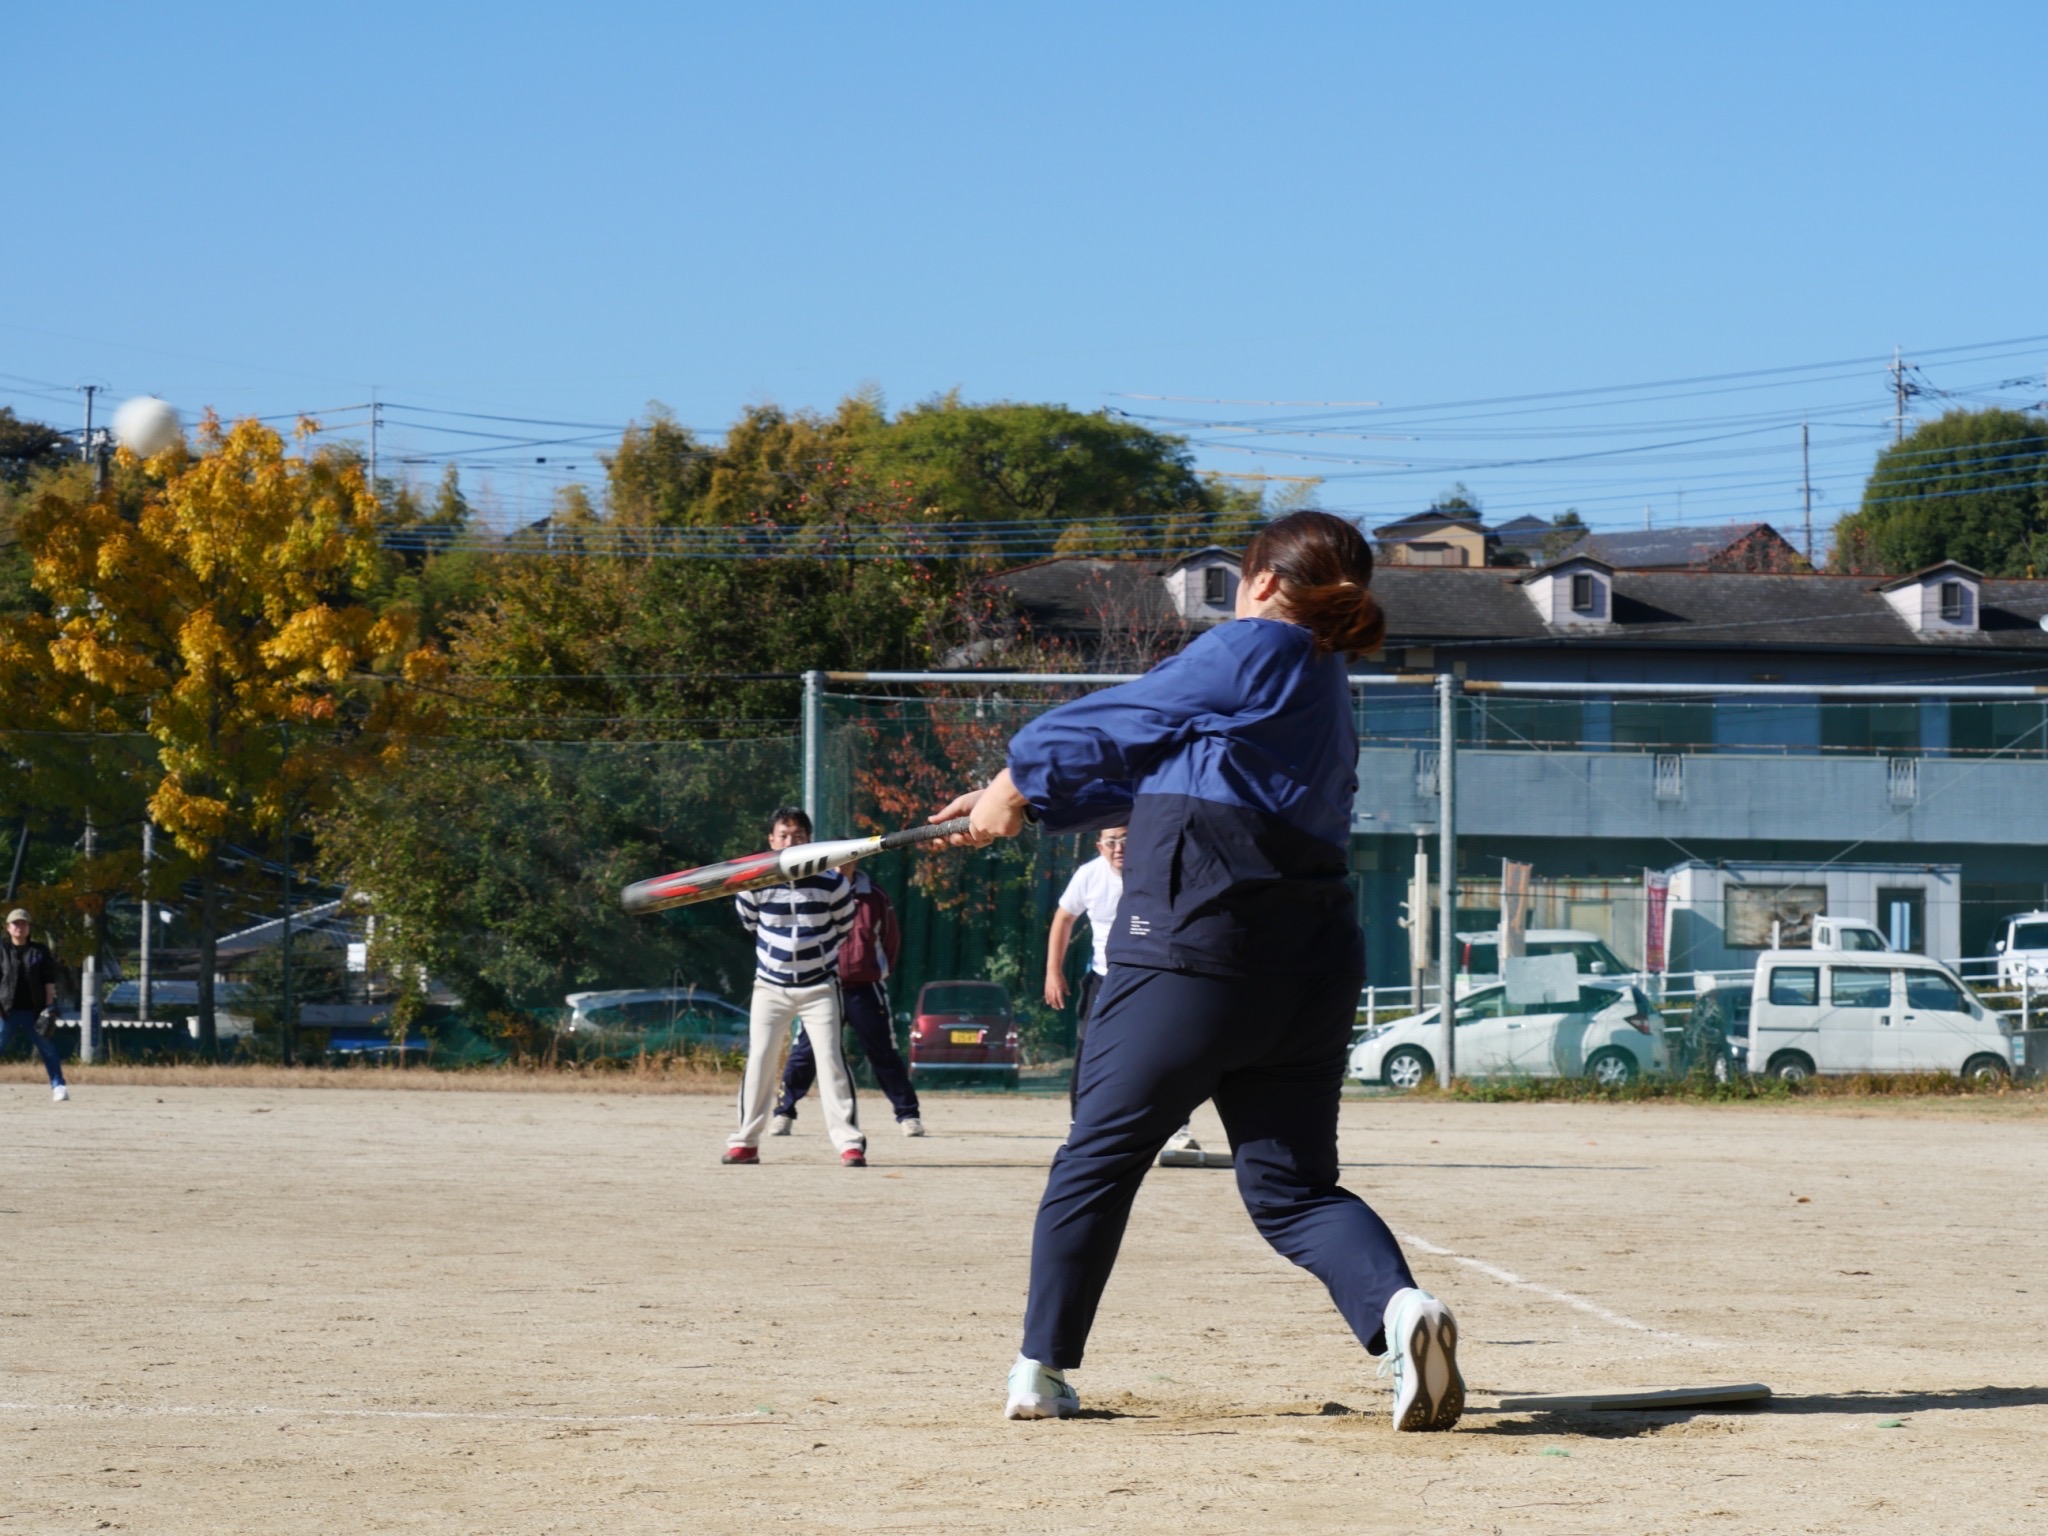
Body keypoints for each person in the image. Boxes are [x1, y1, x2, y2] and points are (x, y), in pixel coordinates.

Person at [934, 510, 1463, 1431]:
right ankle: (1400, 1314)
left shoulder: (1257, 645)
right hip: (1310, 973)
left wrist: (1015, 781)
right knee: (1293, 1192)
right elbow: (1160, 768)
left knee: (1098, 1159)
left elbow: (1124, 717)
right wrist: (1016, 802)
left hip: (1195, 955)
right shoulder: (1323, 687)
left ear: (1263, 582)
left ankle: (1041, 1371)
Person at [1046, 829, 1210, 1165]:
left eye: (1126, 839)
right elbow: (1064, 917)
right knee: (1089, 1050)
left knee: (1168, 1051)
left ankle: (1178, 1130)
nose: (1119, 848)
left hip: (1154, 976)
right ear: (1100, 846)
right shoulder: (1089, 875)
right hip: (1105, 977)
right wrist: (1053, 970)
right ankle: (1081, 1128)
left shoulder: (1158, 872)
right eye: (1111, 842)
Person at [725, 807, 867, 1168]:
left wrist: (814, 958)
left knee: (831, 1060)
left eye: (799, 836)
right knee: (760, 1059)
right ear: (771, 840)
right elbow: (750, 923)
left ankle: (849, 1143)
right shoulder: (754, 883)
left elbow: (843, 926)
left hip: (819, 988)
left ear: (809, 841)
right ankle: (745, 1142)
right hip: (769, 987)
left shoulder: (832, 882)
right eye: (784, 835)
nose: (791, 842)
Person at [771, 867, 924, 1137]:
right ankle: (783, 1112)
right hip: (822, 987)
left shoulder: (874, 896)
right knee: (805, 1053)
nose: (841, 867)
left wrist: (876, 970)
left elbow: (891, 938)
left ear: (856, 861)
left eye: (847, 860)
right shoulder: (816, 891)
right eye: (835, 861)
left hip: (865, 988)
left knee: (883, 1051)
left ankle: (908, 1115)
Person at [2, 908, 69, 1103]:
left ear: (29, 927)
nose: (20, 927)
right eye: (15, 923)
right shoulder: (2, 950)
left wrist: (49, 1007)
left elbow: (48, 980)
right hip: (6, 1011)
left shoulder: (39, 951)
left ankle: (58, 1086)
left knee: (47, 1049)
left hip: (35, 1011)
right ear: (7, 927)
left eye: (24, 923)